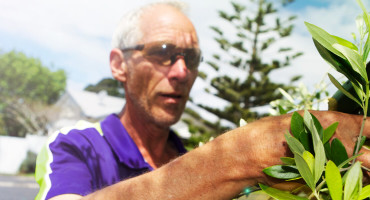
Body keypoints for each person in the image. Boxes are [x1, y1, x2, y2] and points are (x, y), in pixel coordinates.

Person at [35, 1, 370, 200]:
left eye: (191, 59)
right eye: (164, 53)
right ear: (119, 65)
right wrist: (241, 156)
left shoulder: (184, 156)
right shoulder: (77, 147)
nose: (182, 72)